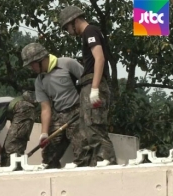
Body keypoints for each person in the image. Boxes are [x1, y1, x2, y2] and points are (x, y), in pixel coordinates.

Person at [59, 6, 117, 166]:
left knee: (94, 125)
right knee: (86, 128)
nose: (69, 32)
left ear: (74, 21)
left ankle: (107, 159)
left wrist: (95, 89)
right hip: (88, 83)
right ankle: (92, 163)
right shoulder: (88, 34)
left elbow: (100, 59)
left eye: (67, 28)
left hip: (94, 83)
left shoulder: (90, 31)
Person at [21, 42, 84, 169]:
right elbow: (45, 108)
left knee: (82, 151)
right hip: (59, 114)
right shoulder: (39, 81)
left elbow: (88, 82)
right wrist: (44, 133)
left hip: (78, 112)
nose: (31, 68)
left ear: (40, 60)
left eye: (32, 64)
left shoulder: (67, 64)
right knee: (49, 154)